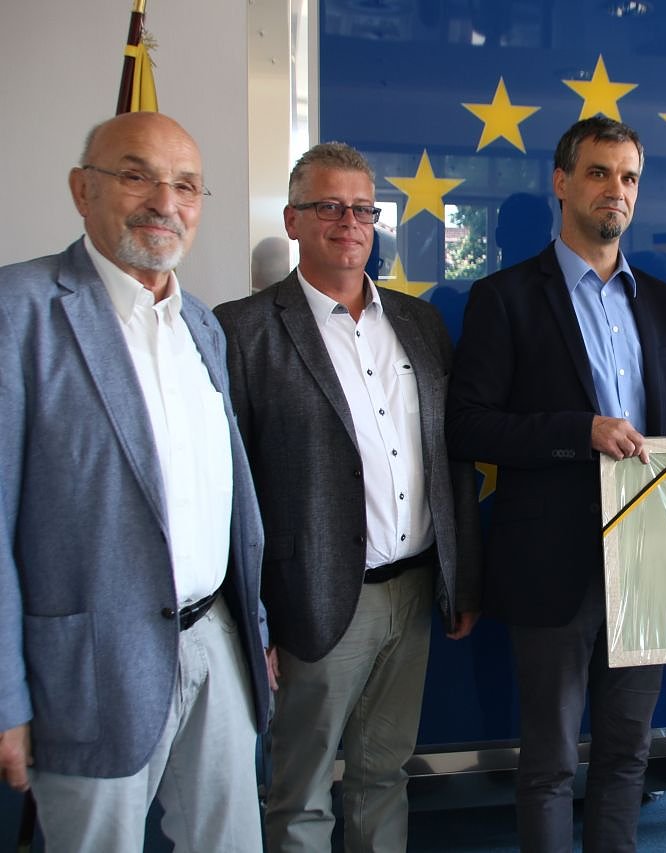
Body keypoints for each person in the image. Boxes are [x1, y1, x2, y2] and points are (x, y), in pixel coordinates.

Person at [0, 111, 269, 851]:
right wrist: (5, 697)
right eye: (135, 175)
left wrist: (254, 631)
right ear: (81, 189)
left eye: (185, 185)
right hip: (90, 665)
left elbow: (225, 498)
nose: (163, 201)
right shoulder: (19, 311)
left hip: (215, 642)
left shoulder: (201, 325)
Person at [214, 142, 482, 853]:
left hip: (413, 592)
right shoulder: (243, 329)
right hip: (311, 598)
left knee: (383, 774)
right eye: (329, 207)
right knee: (300, 790)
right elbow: (229, 491)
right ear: (293, 220)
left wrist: (462, 578)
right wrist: (254, 616)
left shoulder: (419, 324)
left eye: (363, 209)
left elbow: (450, 457)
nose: (349, 223)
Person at [446, 116, 666, 852]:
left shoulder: (661, 302)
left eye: (629, 177)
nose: (615, 189)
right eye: (598, 172)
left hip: (647, 564)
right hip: (551, 566)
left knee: (627, 755)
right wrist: (578, 430)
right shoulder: (504, 297)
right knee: (551, 762)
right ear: (561, 183)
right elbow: (468, 426)